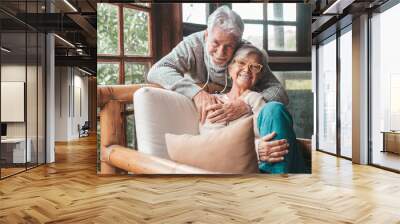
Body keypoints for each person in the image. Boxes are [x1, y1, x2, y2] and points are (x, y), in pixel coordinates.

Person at [147, 6, 289, 164]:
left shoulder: (246, 52)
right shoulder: (192, 45)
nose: (221, 53)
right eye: (215, 43)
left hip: (249, 119)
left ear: (238, 43)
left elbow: (279, 91)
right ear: (207, 35)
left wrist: (245, 103)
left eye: (229, 46)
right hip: (216, 121)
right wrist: (196, 93)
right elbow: (157, 70)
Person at [201, 44, 306, 173]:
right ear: (230, 69)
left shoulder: (259, 101)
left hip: (273, 166)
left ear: (260, 76)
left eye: (255, 67)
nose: (247, 70)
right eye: (241, 63)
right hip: (246, 165)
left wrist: (251, 98)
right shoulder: (215, 102)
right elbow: (214, 145)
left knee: (275, 109)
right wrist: (255, 149)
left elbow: (269, 132)